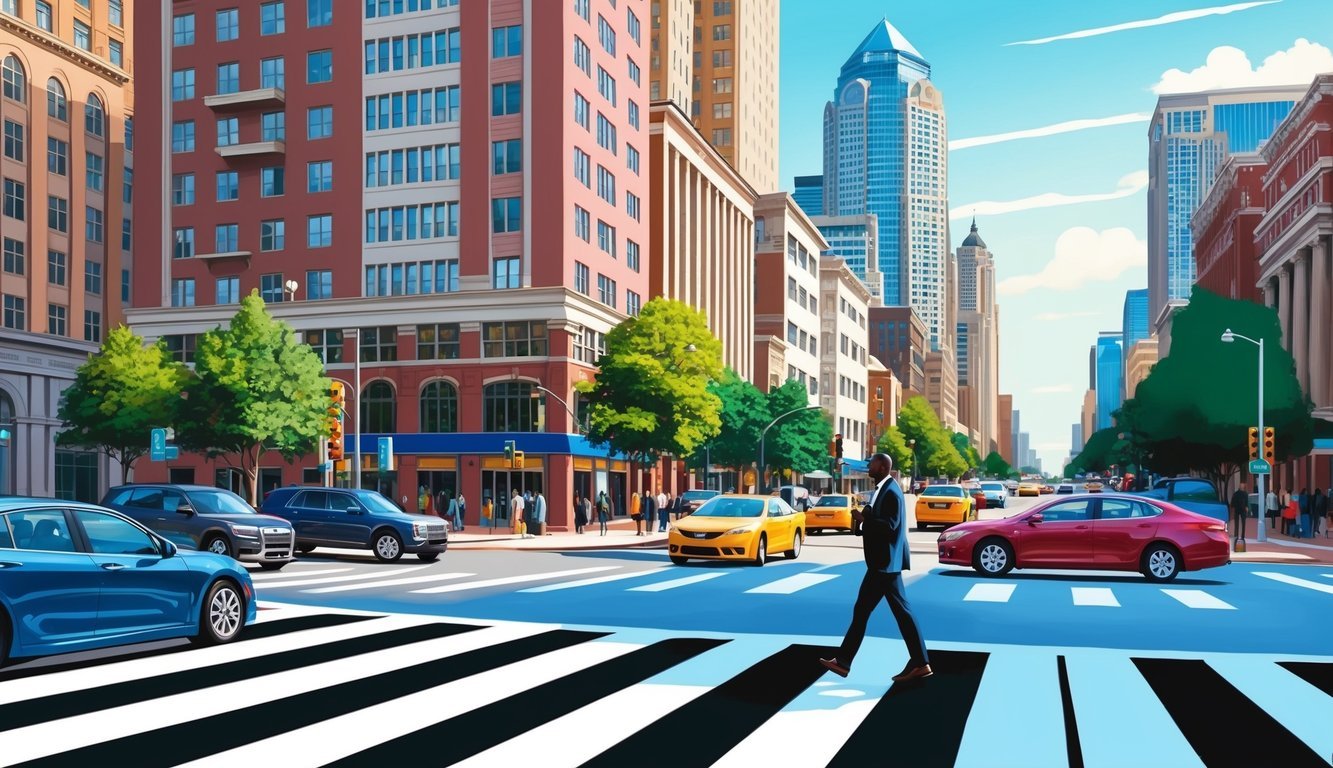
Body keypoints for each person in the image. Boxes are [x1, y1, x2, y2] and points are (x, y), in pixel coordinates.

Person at [820, 453, 931, 683]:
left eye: (871, 463)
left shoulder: (891, 491)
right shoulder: (883, 488)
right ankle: (920, 662)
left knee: (867, 612)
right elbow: (879, 521)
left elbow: (890, 527)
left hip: (884, 564)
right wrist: (864, 520)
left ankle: (844, 662)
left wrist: (863, 519)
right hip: (885, 563)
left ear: (882, 467)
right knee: (895, 613)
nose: (868, 466)